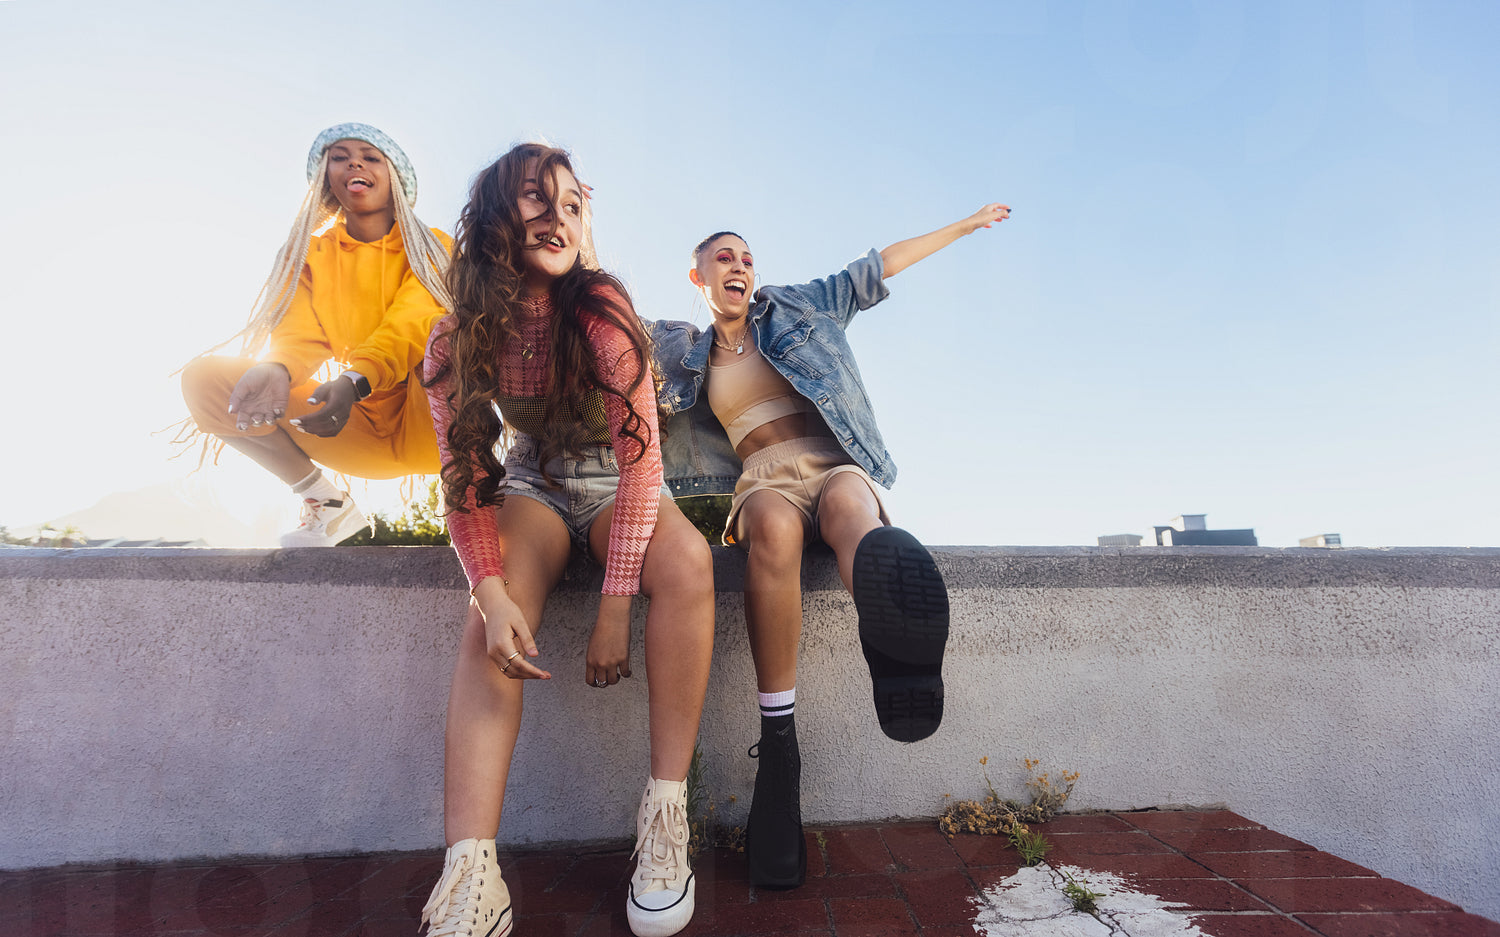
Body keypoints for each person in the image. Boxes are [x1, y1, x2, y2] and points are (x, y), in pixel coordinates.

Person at [649, 203, 1011, 888]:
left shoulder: (798, 306)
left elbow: (877, 268)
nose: (740, 266)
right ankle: (779, 748)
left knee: (851, 509)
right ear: (697, 274)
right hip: (765, 481)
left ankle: (893, 644)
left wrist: (964, 226)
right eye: (725, 257)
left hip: (834, 463)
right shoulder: (678, 350)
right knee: (773, 532)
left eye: (748, 258)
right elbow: (604, 324)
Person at [419, 143, 714, 937]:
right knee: (495, 613)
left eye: (572, 206)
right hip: (536, 479)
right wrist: (489, 593)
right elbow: (465, 483)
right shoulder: (454, 340)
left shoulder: (603, 312)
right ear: (496, 212)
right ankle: (472, 872)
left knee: (688, 562)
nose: (558, 218)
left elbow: (642, 463)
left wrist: (616, 604)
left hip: (621, 480)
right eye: (536, 199)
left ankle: (664, 817)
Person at [179, 123, 453, 546]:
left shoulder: (433, 245)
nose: (355, 163)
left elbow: (414, 320)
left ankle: (475, 504)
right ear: (326, 178)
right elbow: (301, 336)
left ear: (395, 178)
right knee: (206, 379)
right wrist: (278, 368)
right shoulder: (309, 255)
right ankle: (326, 504)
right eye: (340, 157)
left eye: (370, 156)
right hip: (347, 425)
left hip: (436, 428)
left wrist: (355, 380)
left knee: (450, 337)